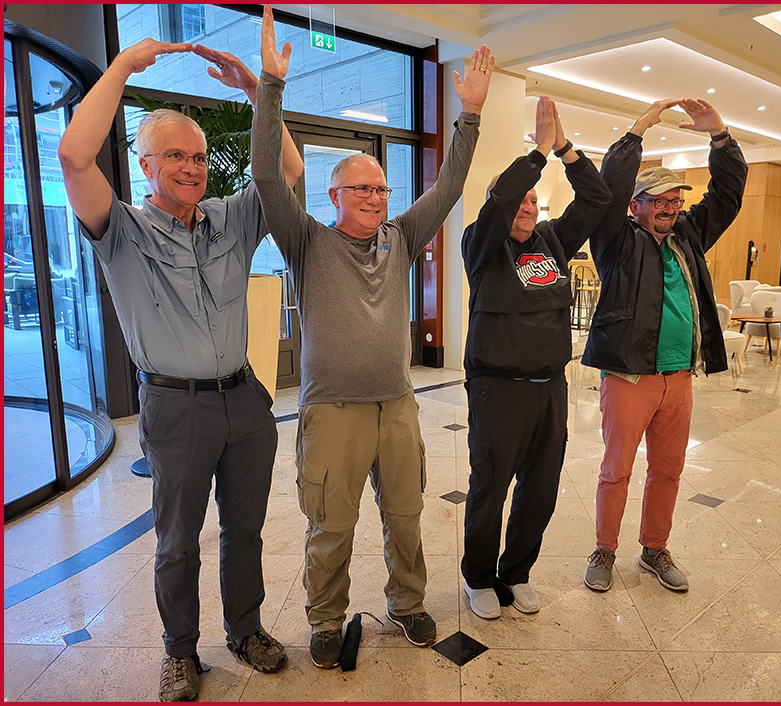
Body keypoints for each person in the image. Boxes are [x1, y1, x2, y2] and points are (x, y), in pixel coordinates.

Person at [57, 38, 304, 702]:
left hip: (245, 402)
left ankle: (246, 631)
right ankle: (179, 653)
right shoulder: (122, 231)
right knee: (177, 543)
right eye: (175, 156)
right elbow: (74, 155)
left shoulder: (230, 218)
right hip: (175, 408)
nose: (192, 167)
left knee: (245, 530)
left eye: (196, 157)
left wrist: (260, 94)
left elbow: (288, 173)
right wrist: (121, 68)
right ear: (145, 165)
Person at [250, 5, 493, 668]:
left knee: (408, 522)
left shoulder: (401, 240)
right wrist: (270, 88)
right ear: (335, 193)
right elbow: (269, 177)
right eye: (363, 187)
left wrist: (468, 115)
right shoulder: (305, 242)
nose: (377, 196)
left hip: (398, 406)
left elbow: (449, 186)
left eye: (382, 187)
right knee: (330, 528)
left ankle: (408, 603)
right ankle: (326, 619)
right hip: (332, 412)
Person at [581, 98, 748, 592]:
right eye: (660, 202)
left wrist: (720, 136)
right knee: (617, 471)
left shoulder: (688, 235)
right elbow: (608, 193)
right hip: (630, 377)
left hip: (679, 378)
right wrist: (635, 134)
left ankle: (654, 548)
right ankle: (604, 550)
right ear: (637, 206)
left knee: (669, 471)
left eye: (675, 202)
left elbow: (728, 196)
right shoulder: (616, 239)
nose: (670, 210)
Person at [460, 97, 611, 619]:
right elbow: (500, 198)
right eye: (518, 202)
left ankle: (515, 572)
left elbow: (596, 200)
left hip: (550, 387)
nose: (526, 207)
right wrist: (536, 154)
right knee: (490, 488)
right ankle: (478, 578)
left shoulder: (551, 240)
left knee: (541, 488)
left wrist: (566, 151)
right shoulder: (479, 245)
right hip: (497, 388)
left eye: (532, 202)